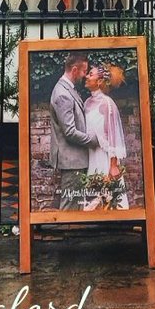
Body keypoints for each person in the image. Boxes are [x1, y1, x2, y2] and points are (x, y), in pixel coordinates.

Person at [48, 52, 98, 210]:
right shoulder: (63, 94)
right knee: (69, 207)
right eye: (84, 71)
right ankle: (65, 234)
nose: (85, 75)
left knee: (75, 205)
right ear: (75, 70)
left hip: (74, 160)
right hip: (72, 162)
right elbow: (69, 132)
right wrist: (93, 140)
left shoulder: (68, 89)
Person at [83, 63, 129, 209]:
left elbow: (113, 136)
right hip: (92, 156)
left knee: (110, 195)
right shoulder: (86, 103)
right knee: (93, 192)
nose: (86, 76)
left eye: (90, 74)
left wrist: (113, 165)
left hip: (105, 158)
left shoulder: (107, 104)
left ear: (100, 81)